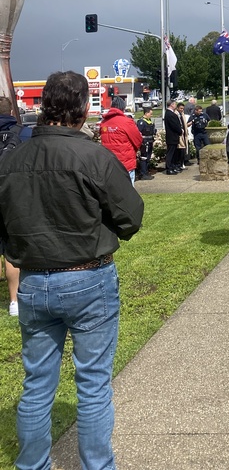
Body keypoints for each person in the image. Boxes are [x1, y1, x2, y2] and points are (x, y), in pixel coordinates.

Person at [0, 70, 144, 470]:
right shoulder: (93, 156)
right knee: (93, 384)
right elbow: (130, 217)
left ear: (45, 105)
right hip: (87, 278)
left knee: (37, 384)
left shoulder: (12, 160)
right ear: (82, 109)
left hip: (34, 280)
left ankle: (33, 465)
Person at [0, 96, 32, 316]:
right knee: (12, 249)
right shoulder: (24, 133)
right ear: (12, 112)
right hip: (14, 196)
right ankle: (14, 302)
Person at [100, 94, 143, 184]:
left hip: (109, 163)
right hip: (125, 162)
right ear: (123, 108)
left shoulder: (104, 122)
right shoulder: (127, 122)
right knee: (128, 188)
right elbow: (138, 140)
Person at [136, 102, 156, 180]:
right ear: (146, 113)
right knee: (144, 157)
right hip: (145, 142)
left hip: (150, 141)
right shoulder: (141, 122)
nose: (151, 115)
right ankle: (143, 173)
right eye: (150, 114)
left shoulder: (149, 121)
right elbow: (138, 133)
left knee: (148, 157)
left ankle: (146, 172)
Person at [164, 99, 183, 175]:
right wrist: (180, 131)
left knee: (174, 153)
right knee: (170, 153)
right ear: (171, 105)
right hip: (171, 137)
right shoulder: (170, 114)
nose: (175, 105)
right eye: (175, 104)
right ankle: (169, 168)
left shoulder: (171, 113)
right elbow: (175, 125)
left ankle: (173, 166)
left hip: (174, 137)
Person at [176, 101, 192, 167]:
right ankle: (180, 163)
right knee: (181, 149)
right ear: (177, 108)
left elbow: (184, 124)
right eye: (181, 108)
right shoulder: (176, 114)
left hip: (184, 134)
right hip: (180, 134)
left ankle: (183, 162)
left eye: (183, 108)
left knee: (185, 148)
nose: (182, 110)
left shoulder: (182, 115)